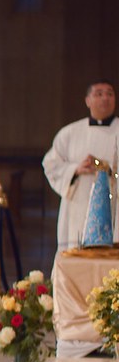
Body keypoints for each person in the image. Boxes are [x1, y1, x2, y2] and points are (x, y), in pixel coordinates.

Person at [44, 80, 119, 257]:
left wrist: (108, 169)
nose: (105, 98)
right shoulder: (70, 133)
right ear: (87, 100)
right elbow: (50, 164)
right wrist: (75, 169)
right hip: (78, 208)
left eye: (110, 93)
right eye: (99, 94)